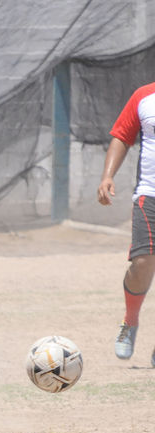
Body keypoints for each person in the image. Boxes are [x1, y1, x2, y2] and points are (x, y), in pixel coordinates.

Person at [98, 82, 155, 366]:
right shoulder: (144, 96)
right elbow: (121, 135)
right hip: (150, 194)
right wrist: (107, 176)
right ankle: (130, 321)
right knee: (142, 262)